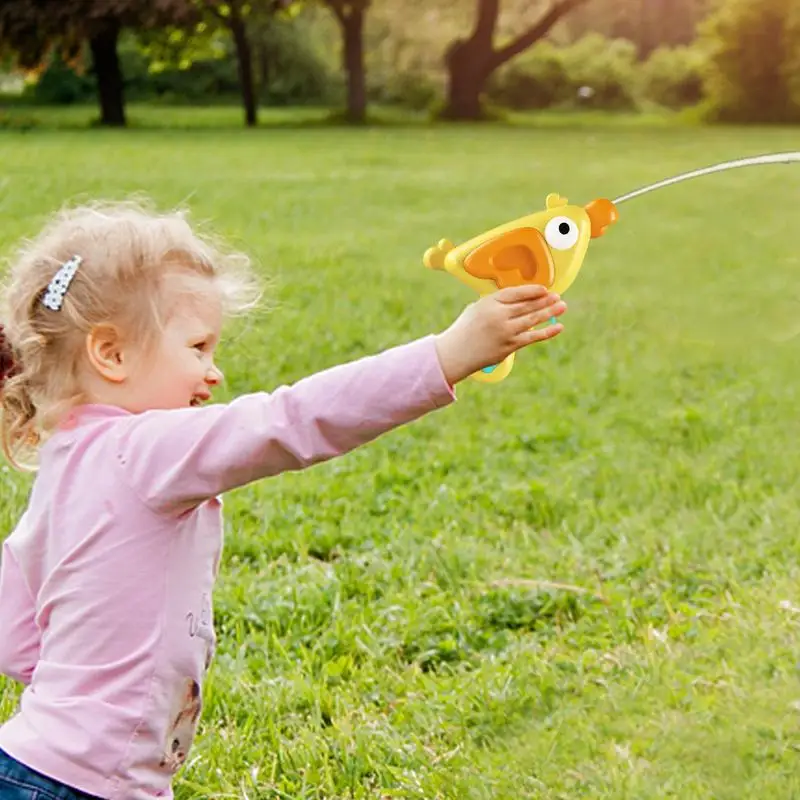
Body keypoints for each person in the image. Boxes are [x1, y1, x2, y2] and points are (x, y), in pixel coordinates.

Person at [0, 200, 566, 800]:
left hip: (38, 766)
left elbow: (12, 631)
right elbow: (292, 421)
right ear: (110, 353)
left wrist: (86, 695)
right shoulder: (142, 452)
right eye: (198, 347)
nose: (214, 372)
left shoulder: (67, 466)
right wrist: (448, 355)